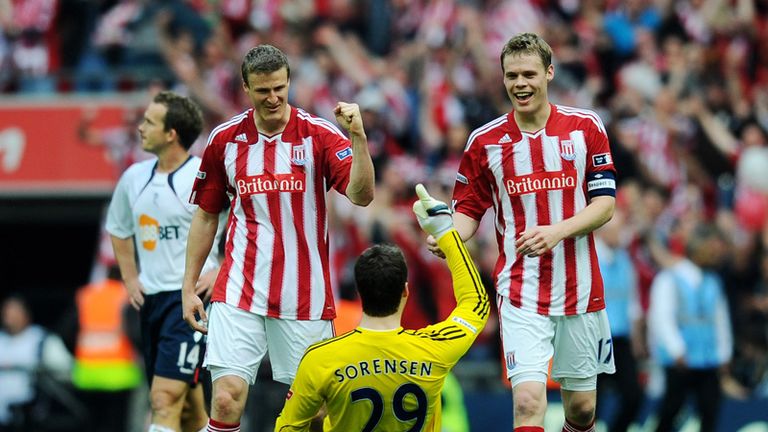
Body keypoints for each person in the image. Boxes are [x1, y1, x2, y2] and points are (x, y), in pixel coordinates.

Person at [180, 44, 374, 432]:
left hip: (304, 292)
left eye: (279, 88)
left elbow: (362, 195)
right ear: (245, 88)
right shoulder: (225, 140)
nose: (273, 98)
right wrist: (188, 287)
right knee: (225, 397)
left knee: (317, 412)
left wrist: (359, 139)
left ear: (289, 83)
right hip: (240, 287)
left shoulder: (319, 135)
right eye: (263, 90)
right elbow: (206, 216)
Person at [429, 33, 617, 432]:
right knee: (528, 401)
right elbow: (469, 211)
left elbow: (605, 205)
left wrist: (557, 232)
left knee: (582, 409)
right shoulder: (484, 142)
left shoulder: (585, 127)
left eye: (529, 74)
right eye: (512, 75)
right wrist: (448, 237)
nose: (520, 84)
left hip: (580, 288)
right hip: (520, 290)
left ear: (549, 73)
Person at [274, 184, 489, 431]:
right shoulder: (434, 348)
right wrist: (446, 232)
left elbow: (288, 428)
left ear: (360, 292)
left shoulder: (321, 359)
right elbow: (476, 303)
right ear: (405, 291)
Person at [106, 90, 223, 432]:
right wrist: (130, 277)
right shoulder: (133, 177)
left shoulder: (204, 174)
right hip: (152, 302)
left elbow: (244, 223)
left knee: (162, 399)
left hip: (190, 302)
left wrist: (221, 268)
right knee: (189, 411)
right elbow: (118, 228)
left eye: (149, 122)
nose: (140, 127)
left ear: (171, 133)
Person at [648, 224, 732, 432]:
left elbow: (720, 320)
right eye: (711, 248)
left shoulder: (713, 281)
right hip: (681, 361)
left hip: (708, 359)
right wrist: (676, 350)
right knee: (671, 409)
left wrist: (724, 353)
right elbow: (662, 317)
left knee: (710, 409)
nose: (716, 254)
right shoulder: (670, 278)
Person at [71, 264, 143, 432]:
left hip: (87, 374)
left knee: (91, 424)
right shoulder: (127, 296)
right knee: (116, 425)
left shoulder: (86, 295)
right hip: (120, 376)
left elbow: (67, 330)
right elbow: (136, 334)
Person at [594, 211, 644, 432]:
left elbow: (632, 302)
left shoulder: (624, 260)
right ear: (603, 231)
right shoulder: (590, 258)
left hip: (620, 340)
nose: (622, 235)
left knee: (633, 396)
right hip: (593, 339)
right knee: (590, 402)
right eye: (618, 230)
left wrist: (637, 338)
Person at [0, 295, 73, 431]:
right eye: (6, 312)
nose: (9, 317)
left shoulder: (42, 340)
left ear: (26, 314)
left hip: (29, 420)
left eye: (14, 311)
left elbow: (67, 373)